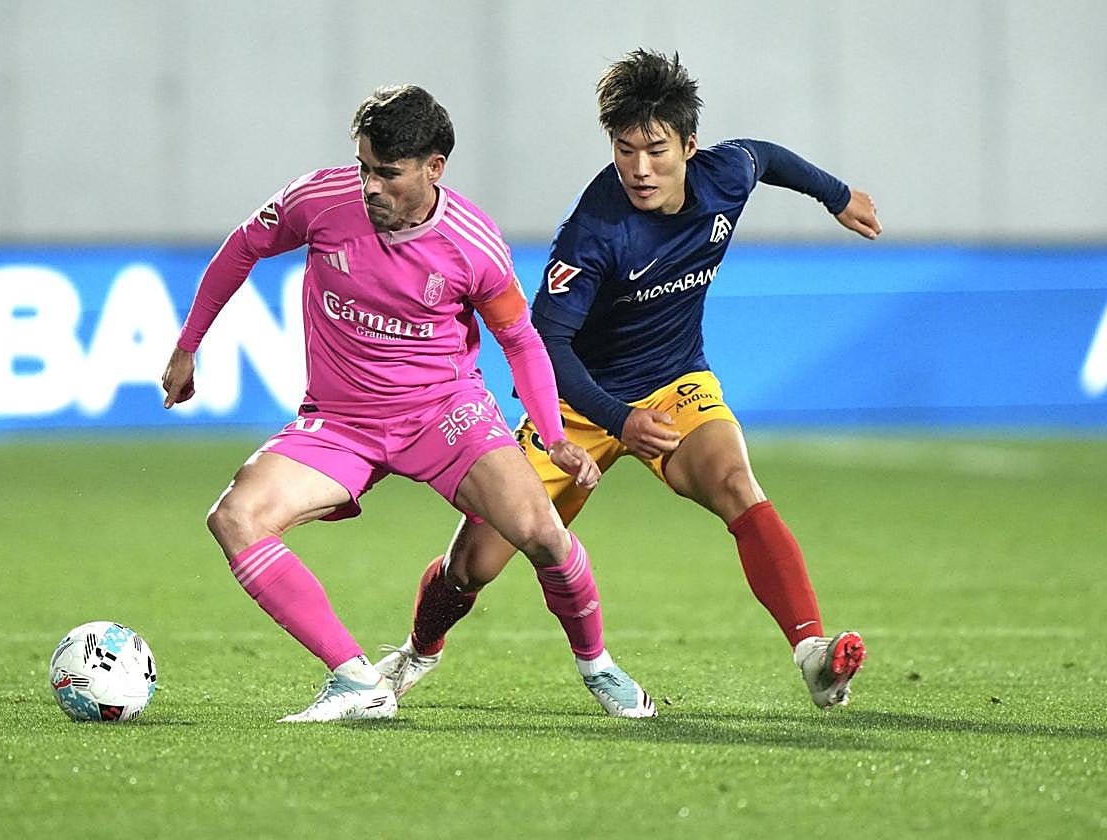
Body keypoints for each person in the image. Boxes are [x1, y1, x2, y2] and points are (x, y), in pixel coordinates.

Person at [376, 50, 882, 710]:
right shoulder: (594, 231)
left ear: (690, 146)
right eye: (624, 150)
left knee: (735, 482)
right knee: (475, 563)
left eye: (657, 149)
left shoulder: (727, 175)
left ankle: (814, 654)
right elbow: (546, 343)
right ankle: (418, 650)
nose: (640, 169)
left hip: (675, 382)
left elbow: (766, 156)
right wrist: (616, 418)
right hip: (579, 405)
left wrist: (836, 195)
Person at [160, 84, 656, 723]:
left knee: (542, 533)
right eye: (365, 167)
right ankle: (355, 680)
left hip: (443, 415)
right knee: (235, 518)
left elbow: (521, 339)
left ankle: (598, 666)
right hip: (340, 422)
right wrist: (187, 345)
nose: (370, 187)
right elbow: (242, 247)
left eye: (388, 174)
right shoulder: (320, 200)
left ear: (433, 168)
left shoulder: (472, 242)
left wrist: (555, 432)